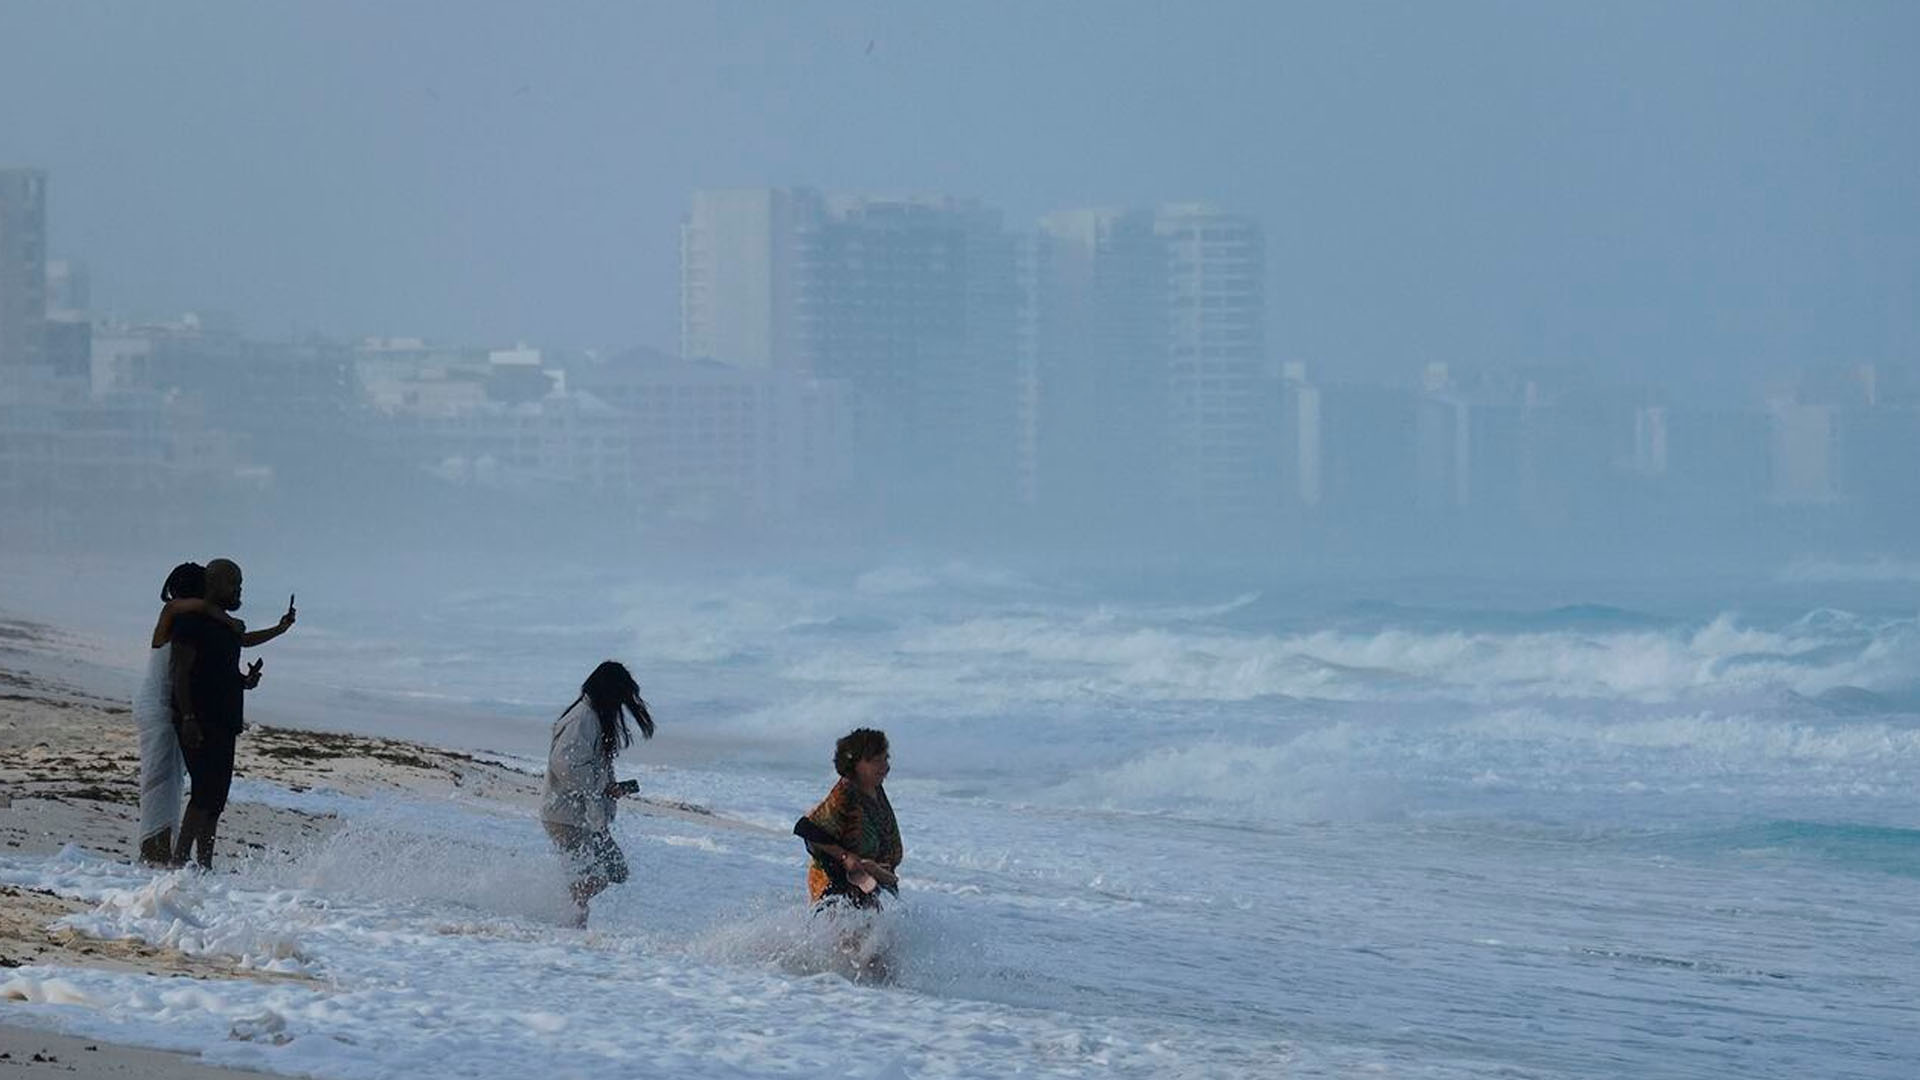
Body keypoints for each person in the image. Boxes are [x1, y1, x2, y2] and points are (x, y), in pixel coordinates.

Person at [134, 563, 296, 866]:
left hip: (202, 712)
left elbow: (224, 656)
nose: (238, 590)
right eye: (233, 584)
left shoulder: (210, 621)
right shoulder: (180, 615)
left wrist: (276, 632)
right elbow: (183, 669)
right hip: (164, 706)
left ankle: (183, 858)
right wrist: (189, 717)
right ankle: (166, 855)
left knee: (197, 790)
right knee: (165, 781)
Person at [540, 661, 655, 927]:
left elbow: (584, 767)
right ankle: (568, 924)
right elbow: (564, 764)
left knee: (615, 870)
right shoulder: (583, 718)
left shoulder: (592, 717)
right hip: (565, 816)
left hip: (585, 817)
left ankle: (569, 916)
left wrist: (607, 790)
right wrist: (601, 787)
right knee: (593, 877)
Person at [793, 728, 903, 911]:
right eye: (877, 761)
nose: (885, 766)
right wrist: (845, 857)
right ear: (856, 764)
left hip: (867, 885)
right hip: (837, 884)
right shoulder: (846, 791)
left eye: (886, 758)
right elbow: (807, 828)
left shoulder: (874, 788)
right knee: (845, 938)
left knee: (876, 937)